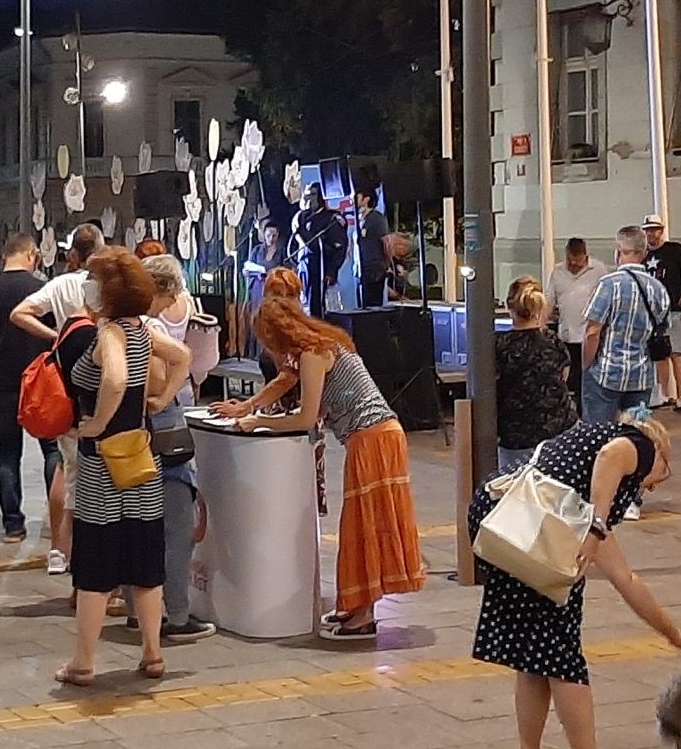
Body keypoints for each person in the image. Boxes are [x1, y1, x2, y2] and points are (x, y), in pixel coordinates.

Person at [470, 411, 681, 749]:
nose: (655, 486)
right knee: (563, 661)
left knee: (533, 658)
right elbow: (612, 458)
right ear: (660, 449)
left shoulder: (582, 483)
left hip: (504, 523)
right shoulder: (638, 445)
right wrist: (595, 527)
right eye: (664, 473)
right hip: (540, 534)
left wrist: (676, 637)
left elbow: (626, 579)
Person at [217, 267, 424, 641]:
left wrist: (257, 423)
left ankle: (362, 615)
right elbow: (286, 380)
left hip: (372, 438)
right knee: (363, 524)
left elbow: (306, 417)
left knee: (365, 525)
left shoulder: (313, 353)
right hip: (375, 437)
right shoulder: (321, 342)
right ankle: (357, 607)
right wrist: (248, 407)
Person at [50, 250, 189, 686]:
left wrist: (96, 422)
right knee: (146, 558)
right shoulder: (143, 331)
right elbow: (182, 355)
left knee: (96, 561)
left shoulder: (109, 332)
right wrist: (162, 401)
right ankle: (152, 654)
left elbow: (113, 379)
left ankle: (83, 662)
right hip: (142, 457)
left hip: (102, 465)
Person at [10, 224, 104, 572]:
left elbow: (19, 313)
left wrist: (57, 336)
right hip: (97, 388)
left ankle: (58, 551)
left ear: (71, 255)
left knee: (66, 471)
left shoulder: (63, 284)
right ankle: (89, 561)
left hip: (67, 382)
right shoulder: (107, 288)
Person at [140, 252, 219, 642]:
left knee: (140, 526)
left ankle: (140, 608)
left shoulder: (115, 323)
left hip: (132, 441)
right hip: (164, 435)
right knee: (176, 529)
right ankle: (176, 615)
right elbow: (167, 371)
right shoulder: (148, 327)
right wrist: (165, 397)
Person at [0, 234, 50, 542]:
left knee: (8, 452)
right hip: (40, 383)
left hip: (0, 381)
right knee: (51, 450)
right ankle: (53, 516)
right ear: (31, 255)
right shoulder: (41, 290)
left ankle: (13, 525)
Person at [580, 228, 667, 426]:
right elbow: (662, 329)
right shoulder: (658, 289)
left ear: (619, 250)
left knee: (597, 435)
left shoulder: (608, 285)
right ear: (645, 253)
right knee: (637, 435)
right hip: (642, 375)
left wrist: (586, 365)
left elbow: (592, 332)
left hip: (606, 372)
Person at [491, 277, 576, 474]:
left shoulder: (498, 345)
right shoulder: (553, 341)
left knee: (516, 494)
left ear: (508, 305)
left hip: (517, 434)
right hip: (561, 430)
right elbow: (564, 376)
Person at [641, 215, 681, 413]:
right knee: (659, 354)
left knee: (676, 352)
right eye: (648, 230)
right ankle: (666, 393)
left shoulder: (673, 250)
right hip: (652, 312)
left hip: (674, 309)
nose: (651, 234)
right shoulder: (644, 255)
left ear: (661, 231)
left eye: (655, 230)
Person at [546, 237, 606, 389]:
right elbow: (549, 302)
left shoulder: (599, 271)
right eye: (569, 260)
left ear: (585, 256)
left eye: (577, 261)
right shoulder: (557, 272)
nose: (573, 265)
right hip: (566, 337)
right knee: (568, 381)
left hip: (590, 337)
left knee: (588, 381)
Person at [290, 184, 346, 318]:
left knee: (319, 309)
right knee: (303, 307)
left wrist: (332, 271)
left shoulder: (331, 218)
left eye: (313, 194)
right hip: (304, 268)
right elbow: (292, 244)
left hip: (321, 269)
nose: (309, 198)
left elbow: (339, 248)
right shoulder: (300, 218)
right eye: (307, 194)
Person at [352, 188, 391, 309]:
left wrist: (387, 265)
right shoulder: (359, 219)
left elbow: (386, 243)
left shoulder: (377, 219)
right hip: (360, 272)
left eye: (357, 196)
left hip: (374, 271)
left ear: (366, 199)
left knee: (373, 309)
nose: (352, 200)